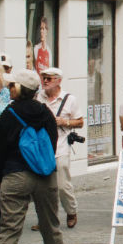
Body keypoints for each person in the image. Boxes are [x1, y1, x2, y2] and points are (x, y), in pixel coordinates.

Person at [0, 68, 71, 244]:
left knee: (9, 230)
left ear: (19, 88)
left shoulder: (9, 114)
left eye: (11, 85)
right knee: (51, 228)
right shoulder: (46, 113)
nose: (9, 88)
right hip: (44, 175)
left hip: (15, 174)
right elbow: (51, 144)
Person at [38, 67, 85, 230]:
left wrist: (64, 122)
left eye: (49, 78)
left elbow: (80, 122)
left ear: (58, 81)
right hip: (43, 147)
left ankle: (71, 211)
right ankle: (45, 219)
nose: (45, 81)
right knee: (43, 186)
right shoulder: (39, 97)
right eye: (43, 78)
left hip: (61, 146)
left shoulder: (69, 99)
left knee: (63, 184)